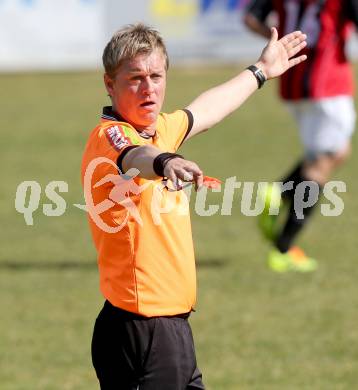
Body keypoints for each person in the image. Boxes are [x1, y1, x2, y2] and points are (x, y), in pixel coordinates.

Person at [81, 23, 307, 389]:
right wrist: (166, 162)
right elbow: (135, 156)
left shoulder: (157, 128)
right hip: (142, 329)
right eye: (135, 77)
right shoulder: (112, 135)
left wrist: (260, 71)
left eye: (156, 75)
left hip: (168, 329)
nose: (149, 87)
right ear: (110, 84)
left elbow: (206, 108)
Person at [244, 0, 358, 273]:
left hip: (292, 80)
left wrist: (284, 45)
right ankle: (283, 247)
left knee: (334, 152)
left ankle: (281, 192)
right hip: (326, 82)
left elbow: (250, 18)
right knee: (321, 163)